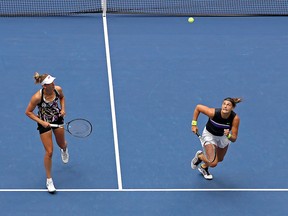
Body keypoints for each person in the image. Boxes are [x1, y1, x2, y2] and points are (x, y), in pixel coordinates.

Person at [25, 72, 69, 193]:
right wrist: (41, 122)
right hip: (44, 123)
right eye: (50, 83)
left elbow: (62, 97)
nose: (53, 84)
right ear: (44, 86)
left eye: (53, 82)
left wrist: (63, 109)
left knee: (62, 144)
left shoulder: (57, 89)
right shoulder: (37, 97)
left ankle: (64, 149)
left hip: (57, 119)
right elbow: (28, 112)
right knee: (49, 152)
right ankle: (49, 180)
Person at [191, 97, 242, 180]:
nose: (225, 106)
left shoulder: (235, 119)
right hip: (209, 135)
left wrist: (228, 135)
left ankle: (203, 167)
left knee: (220, 159)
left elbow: (234, 138)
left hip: (223, 137)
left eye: (228, 105)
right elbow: (198, 107)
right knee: (213, 163)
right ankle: (200, 156)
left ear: (232, 108)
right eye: (224, 104)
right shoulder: (213, 113)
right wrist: (194, 124)